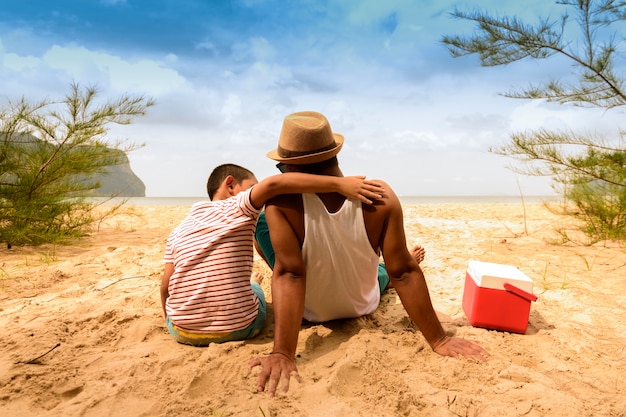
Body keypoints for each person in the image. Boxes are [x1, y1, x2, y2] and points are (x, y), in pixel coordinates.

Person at [249, 111, 490, 396]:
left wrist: (283, 353)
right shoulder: (380, 195)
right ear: (335, 156)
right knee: (389, 269)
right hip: (364, 305)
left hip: (310, 313)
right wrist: (438, 340)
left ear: (289, 170)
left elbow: (289, 274)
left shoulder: (279, 207)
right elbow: (405, 272)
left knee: (280, 256)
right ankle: (383, 268)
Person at [160, 163, 383, 347]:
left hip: (181, 331)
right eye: (251, 188)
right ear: (230, 184)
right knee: (254, 288)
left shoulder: (178, 230)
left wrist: (171, 319)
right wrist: (339, 184)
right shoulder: (238, 206)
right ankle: (254, 284)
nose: (258, 196)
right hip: (241, 327)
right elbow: (275, 184)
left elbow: (165, 286)